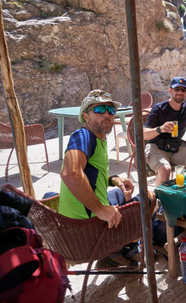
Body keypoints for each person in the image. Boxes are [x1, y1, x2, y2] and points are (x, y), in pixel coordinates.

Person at [58, 89, 155, 267]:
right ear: (86, 116)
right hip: (89, 229)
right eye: (99, 110)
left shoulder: (98, 139)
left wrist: (115, 180)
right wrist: (100, 209)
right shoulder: (83, 135)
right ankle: (124, 250)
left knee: (122, 195)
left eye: (110, 111)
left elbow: (91, 172)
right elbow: (70, 173)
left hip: (82, 219)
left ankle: (119, 251)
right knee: (149, 197)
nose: (107, 115)